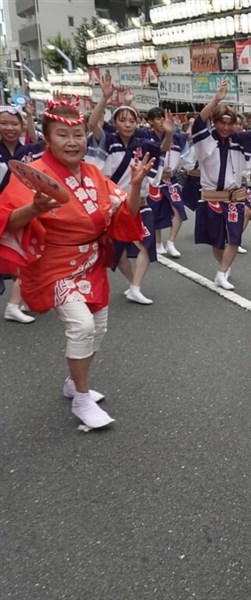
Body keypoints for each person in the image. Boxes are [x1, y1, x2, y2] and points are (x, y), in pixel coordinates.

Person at [0, 99, 153, 429]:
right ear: (47, 137)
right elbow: (8, 220)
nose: (72, 142)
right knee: (81, 326)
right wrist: (35, 209)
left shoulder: (94, 174)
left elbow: (122, 212)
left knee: (98, 328)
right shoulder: (33, 174)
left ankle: (74, 383)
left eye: (78, 135)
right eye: (63, 135)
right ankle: (82, 398)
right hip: (53, 265)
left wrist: (137, 186)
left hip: (91, 261)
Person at [86, 74, 164, 305]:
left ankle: (136, 286)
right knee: (117, 252)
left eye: (132, 120)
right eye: (123, 120)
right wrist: (106, 97)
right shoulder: (107, 140)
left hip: (140, 203)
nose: (128, 124)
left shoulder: (144, 141)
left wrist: (167, 132)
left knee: (147, 244)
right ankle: (133, 285)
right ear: (115, 122)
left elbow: (163, 148)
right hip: (116, 206)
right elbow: (92, 124)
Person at [192, 80, 251, 290]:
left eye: (230, 123)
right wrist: (216, 99)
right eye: (222, 122)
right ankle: (223, 266)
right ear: (215, 122)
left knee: (234, 237)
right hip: (211, 197)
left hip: (234, 197)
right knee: (216, 242)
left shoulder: (238, 138)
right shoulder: (205, 139)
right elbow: (199, 122)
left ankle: (221, 273)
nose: (226, 127)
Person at [1, 103, 46, 323]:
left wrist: (29, 115)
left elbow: (40, 143)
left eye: (13, 123)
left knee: (24, 254)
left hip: (23, 210)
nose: (9, 128)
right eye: (3, 123)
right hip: (3, 212)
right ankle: (14, 303)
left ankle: (16, 301)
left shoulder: (28, 151)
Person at [145, 107, 189, 259]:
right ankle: (157, 244)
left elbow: (190, 136)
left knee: (178, 209)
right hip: (152, 180)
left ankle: (171, 242)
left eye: (163, 118)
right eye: (158, 118)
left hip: (170, 180)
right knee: (155, 211)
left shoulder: (176, 138)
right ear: (150, 121)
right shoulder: (147, 137)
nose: (162, 122)